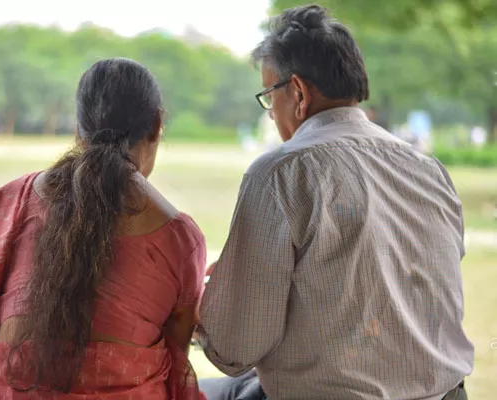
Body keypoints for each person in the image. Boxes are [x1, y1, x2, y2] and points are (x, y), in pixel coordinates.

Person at [196, 5, 473, 400]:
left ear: (298, 93)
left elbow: (235, 350)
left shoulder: (281, 173)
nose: (271, 115)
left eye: (268, 96)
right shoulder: (428, 169)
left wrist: (211, 302)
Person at [0, 58, 207, 399]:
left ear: (79, 128)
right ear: (157, 125)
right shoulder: (179, 236)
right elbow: (177, 362)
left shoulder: (20, 199)